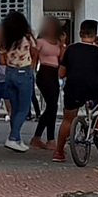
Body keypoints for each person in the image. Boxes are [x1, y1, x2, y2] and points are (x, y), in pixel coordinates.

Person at [54, 20, 98, 162]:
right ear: (95, 35)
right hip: (93, 89)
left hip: (73, 88)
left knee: (67, 120)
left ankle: (58, 152)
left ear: (80, 33)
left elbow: (61, 73)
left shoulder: (71, 49)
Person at [0, 11, 38, 153]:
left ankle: (17, 139)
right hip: (24, 71)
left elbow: (1, 60)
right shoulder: (26, 38)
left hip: (9, 73)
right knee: (24, 108)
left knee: (14, 109)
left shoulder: (5, 40)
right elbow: (35, 51)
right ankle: (13, 137)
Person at [32, 16, 66, 150]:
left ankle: (38, 137)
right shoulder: (40, 41)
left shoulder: (58, 42)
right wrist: (31, 72)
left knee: (52, 105)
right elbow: (34, 57)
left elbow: (62, 59)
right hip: (44, 72)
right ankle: (49, 138)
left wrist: (63, 44)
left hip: (55, 73)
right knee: (51, 105)